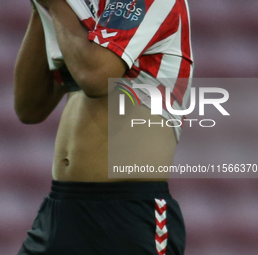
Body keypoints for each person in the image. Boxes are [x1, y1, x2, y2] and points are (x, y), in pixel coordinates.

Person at [14, 0, 193, 254]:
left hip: (127, 214)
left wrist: (55, 4)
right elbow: (30, 107)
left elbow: (97, 78)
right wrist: (39, 10)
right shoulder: (78, 6)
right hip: (61, 208)